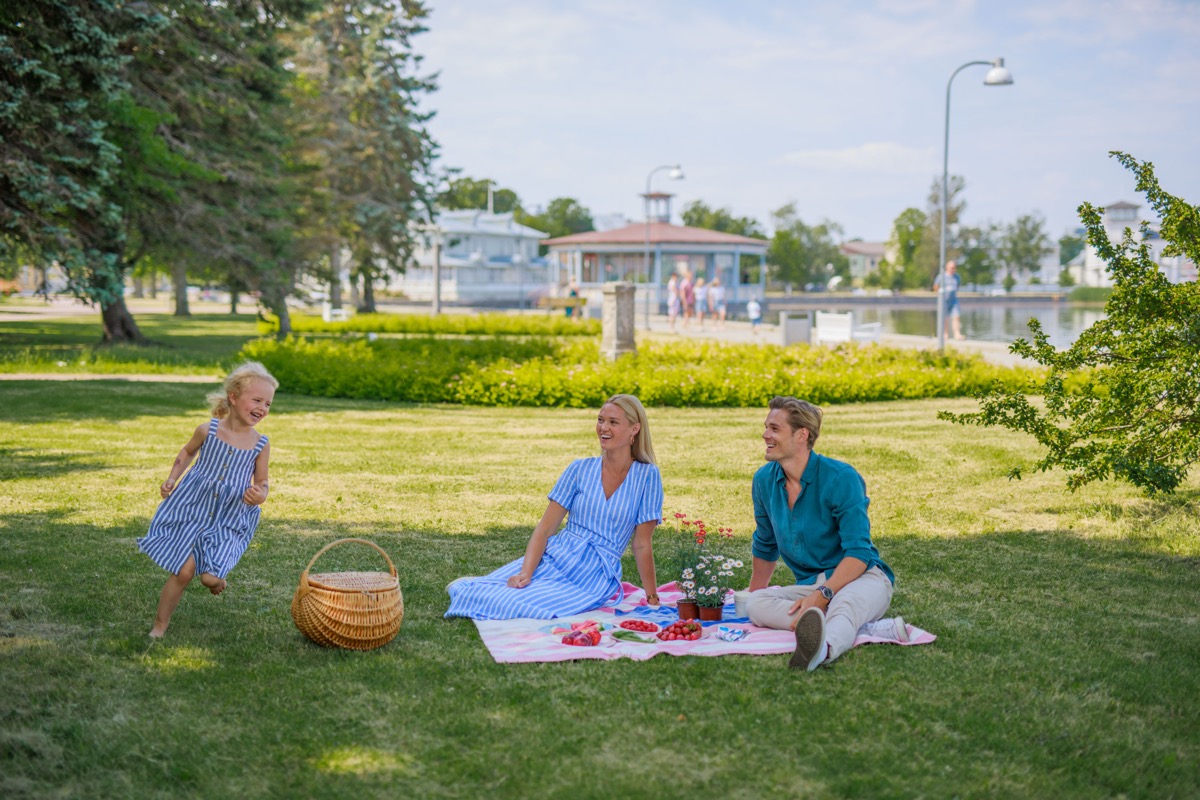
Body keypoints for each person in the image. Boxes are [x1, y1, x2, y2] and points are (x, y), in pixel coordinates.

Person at [445, 394, 664, 620]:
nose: (603, 428)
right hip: (556, 556)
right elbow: (545, 529)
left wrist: (652, 597)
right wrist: (526, 572)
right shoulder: (580, 469)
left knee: (514, 604)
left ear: (634, 428)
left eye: (613, 422)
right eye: (600, 420)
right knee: (486, 591)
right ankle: (480, 586)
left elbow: (641, 544)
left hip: (593, 575)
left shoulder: (647, 476)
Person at [745, 396, 898, 671]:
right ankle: (854, 625)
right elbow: (766, 543)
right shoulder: (764, 480)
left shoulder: (841, 477)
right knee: (757, 604)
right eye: (766, 427)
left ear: (802, 435)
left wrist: (824, 594)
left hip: (861, 577)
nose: (765, 434)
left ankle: (822, 649)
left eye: (775, 428)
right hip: (812, 584)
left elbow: (859, 552)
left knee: (846, 603)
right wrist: (752, 596)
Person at [138, 361, 277, 638]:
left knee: (209, 578)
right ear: (234, 397)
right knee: (183, 571)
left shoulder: (260, 444)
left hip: (229, 515)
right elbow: (187, 452)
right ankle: (160, 625)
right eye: (257, 400)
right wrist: (172, 478)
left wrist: (259, 494)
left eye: (268, 404)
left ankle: (216, 580)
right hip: (194, 508)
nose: (263, 408)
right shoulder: (208, 430)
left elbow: (262, 481)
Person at [934, 260, 965, 341]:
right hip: (944, 300)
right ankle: (945, 334)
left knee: (956, 316)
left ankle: (957, 334)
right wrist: (940, 293)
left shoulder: (957, 277)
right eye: (952, 268)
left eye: (954, 268)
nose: (953, 269)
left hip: (954, 300)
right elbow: (936, 286)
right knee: (945, 318)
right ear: (947, 267)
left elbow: (957, 286)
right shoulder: (942, 276)